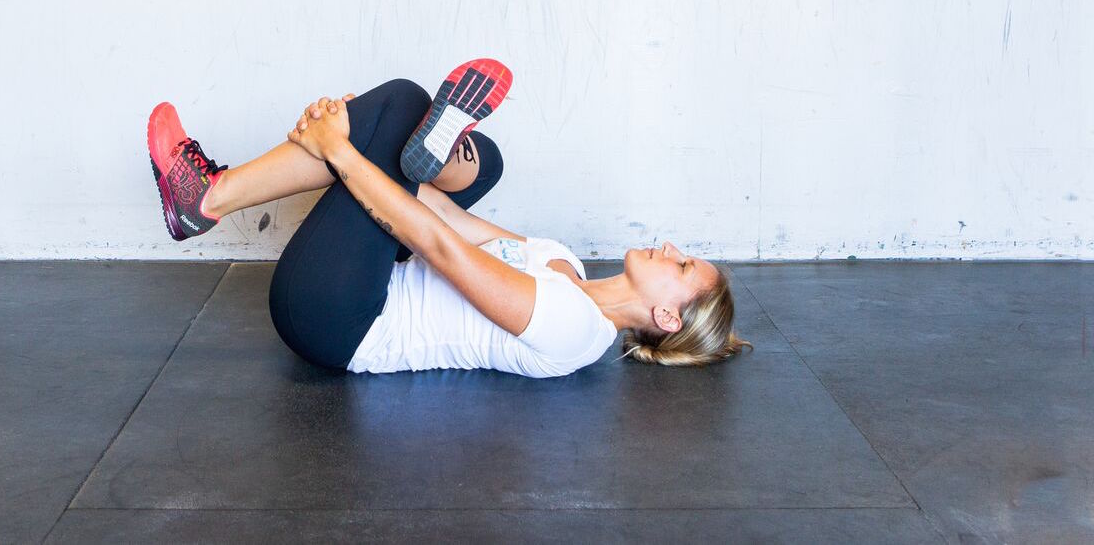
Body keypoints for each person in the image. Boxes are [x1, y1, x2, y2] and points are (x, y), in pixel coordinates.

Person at [147, 59, 751, 378]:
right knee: (477, 160)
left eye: (682, 263)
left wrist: (342, 149)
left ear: (667, 316)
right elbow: (444, 215)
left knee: (403, 107)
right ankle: (426, 141)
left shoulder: (577, 331)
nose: (671, 247)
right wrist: (370, 138)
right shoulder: (561, 261)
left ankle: (206, 197)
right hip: (364, 284)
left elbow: (436, 245)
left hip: (339, 325)